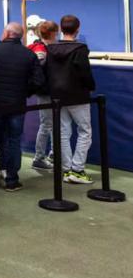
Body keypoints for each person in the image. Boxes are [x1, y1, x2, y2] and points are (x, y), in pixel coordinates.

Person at [0, 22, 45, 191]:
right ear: (20, 36)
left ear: (7, 34)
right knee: (13, 140)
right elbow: (39, 81)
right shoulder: (28, 55)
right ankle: (11, 179)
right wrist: (25, 92)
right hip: (17, 104)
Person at [46, 15, 96, 184]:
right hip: (77, 96)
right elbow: (85, 74)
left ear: (61, 29)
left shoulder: (51, 48)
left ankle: (67, 169)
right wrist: (90, 87)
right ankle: (77, 169)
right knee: (85, 132)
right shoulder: (80, 49)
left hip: (57, 96)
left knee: (63, 132)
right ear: (78, 29)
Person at [28, 20, 59, 171]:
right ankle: (39, 157)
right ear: (53, 33)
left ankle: (53, 154)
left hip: (49, 90)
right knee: (47, 124)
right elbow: (37, 68)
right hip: (45, 90)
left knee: (52, 124)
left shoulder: (45, 47)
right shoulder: (41, 49)